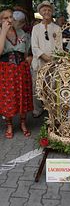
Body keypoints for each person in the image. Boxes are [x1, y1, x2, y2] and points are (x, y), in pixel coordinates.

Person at [0, 8, 33, 138]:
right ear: (1, 20)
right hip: (6, 70)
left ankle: (23, 123)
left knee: (23, 96)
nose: (9, 20)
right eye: (5, 18)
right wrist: (3, 31)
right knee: (9, 97)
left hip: (21, 69)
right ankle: (9, 125)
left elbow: (25, 53)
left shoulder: (22, 33)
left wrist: (28, 60)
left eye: (11, 17)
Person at [31, 0, 62, 118]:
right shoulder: (36, 28)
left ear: (52, 12)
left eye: (49, 10)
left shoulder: (57, 28)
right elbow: (34, 46)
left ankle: (51, 108)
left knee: (52, 86)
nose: (47, 12)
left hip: (53, 63)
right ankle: (37, 109)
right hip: (39, 62)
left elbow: (59, 47)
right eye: (44, 10)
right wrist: (44, 57)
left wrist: (53, 59)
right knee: (37, 87)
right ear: (40, 12)